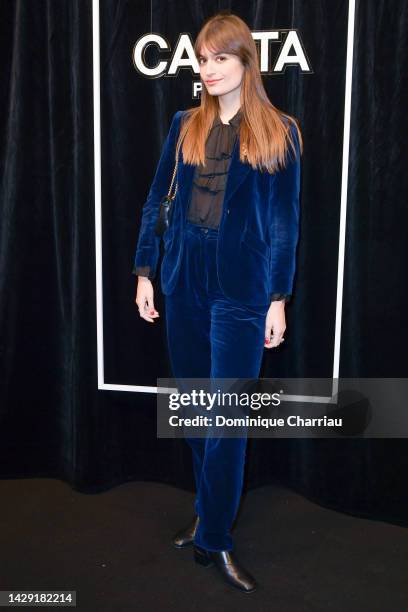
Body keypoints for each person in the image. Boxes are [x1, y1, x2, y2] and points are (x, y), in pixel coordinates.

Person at [132, 13, 302, 593]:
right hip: (184, 280)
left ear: (245, 64)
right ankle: (208, 511)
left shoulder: (280, 130)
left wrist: (278, 296)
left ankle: (216, 538)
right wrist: (145, 270)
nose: (208, 69)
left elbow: (284, 223)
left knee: (225, 420)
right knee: (194, 407)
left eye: (220, 59)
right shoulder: (184, 124)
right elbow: (157, 198)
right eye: (202, 60)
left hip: (243, 291)